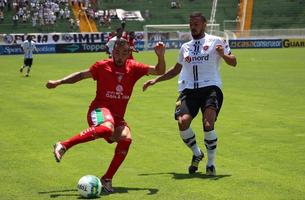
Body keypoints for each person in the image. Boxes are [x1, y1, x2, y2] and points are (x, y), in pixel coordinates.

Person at [46, 38, 166, 192]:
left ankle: (107, 179)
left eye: (124, 53)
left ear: (129, 53)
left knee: (126, 138)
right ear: (112, 51)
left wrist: (160, 56)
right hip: (98, 110)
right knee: (107, 127)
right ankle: (63, 145)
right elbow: (81, 75)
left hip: (117, 117)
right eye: (117, 52)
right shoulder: (102, 66)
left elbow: (159, 71)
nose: (120, 56)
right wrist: (59, 81)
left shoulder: (134, 67)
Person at [143, 12, 237, 176]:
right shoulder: (185, 47)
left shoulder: (216, 41)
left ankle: (210, 163)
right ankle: (196, 153)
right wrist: (156, 80)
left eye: (196, 23)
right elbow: (176, 70)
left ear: (204, 24)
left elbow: (233, 62)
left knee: (208, 124)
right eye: (191, 24)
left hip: (210, 88)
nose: (193, 26)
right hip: (188, 90)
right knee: (182, 122)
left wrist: (223, 55)